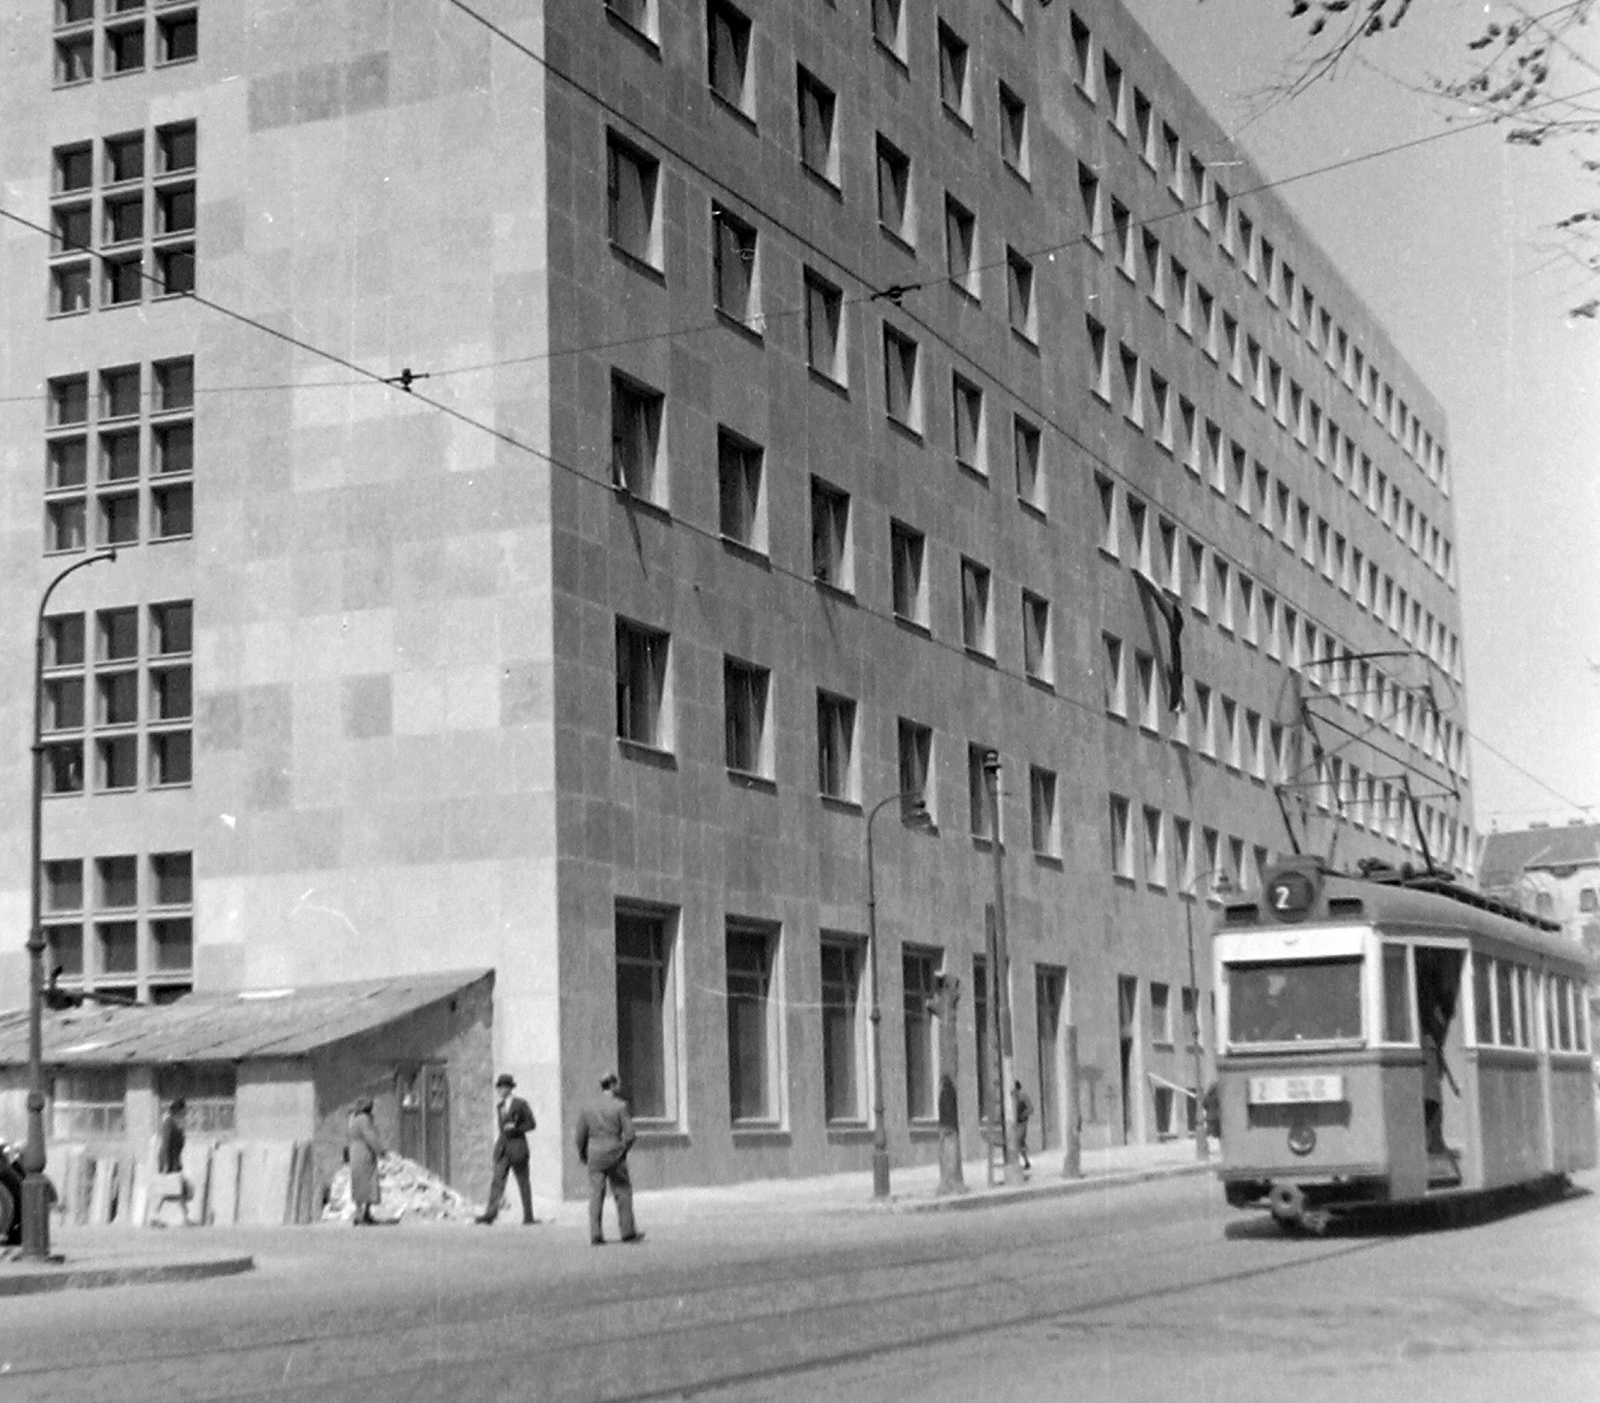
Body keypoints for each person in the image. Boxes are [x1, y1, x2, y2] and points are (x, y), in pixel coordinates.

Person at [575, 1071, 641, 1245]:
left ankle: (595, 1233)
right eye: (616, 1084)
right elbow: (630, 1135)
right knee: (622, 1191)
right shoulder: (620, 1106)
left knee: (596, 1194)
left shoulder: (588, 1107)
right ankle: (627, 1231)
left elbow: (579, 1136)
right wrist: (623, 1150)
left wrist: (584, 1154)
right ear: (612, 1085)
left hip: (594, 1154)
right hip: (615, 1153)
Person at [476, 1073, 538, 1225]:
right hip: (503, 1150)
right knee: (497, 1181)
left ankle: (528, 1216)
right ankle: (490, 1214)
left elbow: (531, 1124)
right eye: (500, 1088)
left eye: (504, 1087)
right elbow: (502, 1129)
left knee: (523, 1182)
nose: (501, 1091)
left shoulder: (520, 1104)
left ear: (510, 1089)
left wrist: (516, 1128)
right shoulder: (500, 1107)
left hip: (518, 1148)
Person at [347, 1097, 383, 1226]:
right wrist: (380, 1150)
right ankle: (364, 1214)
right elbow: (370, 1136)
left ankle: (359, 1213)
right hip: (365, 1152)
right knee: (368, 1183)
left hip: (354, 1152)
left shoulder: (352, 1118)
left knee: (358, 1184)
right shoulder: (364, 1120)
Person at [158, 1097, 187, 1175]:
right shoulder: (169, 1123)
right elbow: (165, 1144)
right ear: (179, 1110)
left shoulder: (177, 1125)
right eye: (184, 1110)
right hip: (170, 1168)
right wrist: (163, 1166)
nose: (185, 1113)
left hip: (176, 1167)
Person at [1012, 1081, 1033, 1172]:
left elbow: (1030, 1109)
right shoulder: (1011, 1098)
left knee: (1018, 1141)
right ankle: (1025, 1161)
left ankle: (1020, 1162)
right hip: (1014, 1123)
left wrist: (1022, 1116)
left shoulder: (1023, 1096)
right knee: (1019, 1143)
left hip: (1021, 1122)